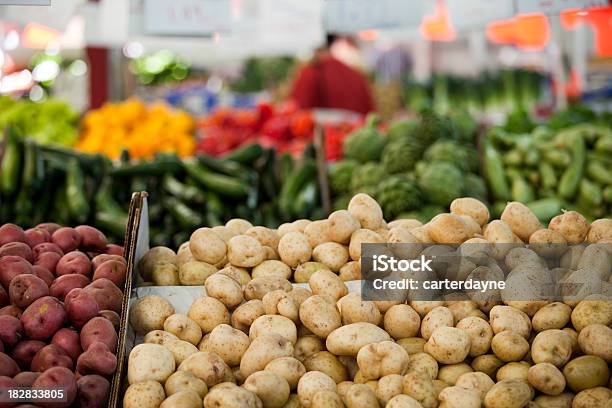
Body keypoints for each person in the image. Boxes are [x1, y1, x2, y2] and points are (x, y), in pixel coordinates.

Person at [289, 34, 375, 116]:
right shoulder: (356, 75)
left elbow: (296, 113)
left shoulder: (309, 73)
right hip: (356, 128)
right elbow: (371, 114)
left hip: (323, 129)